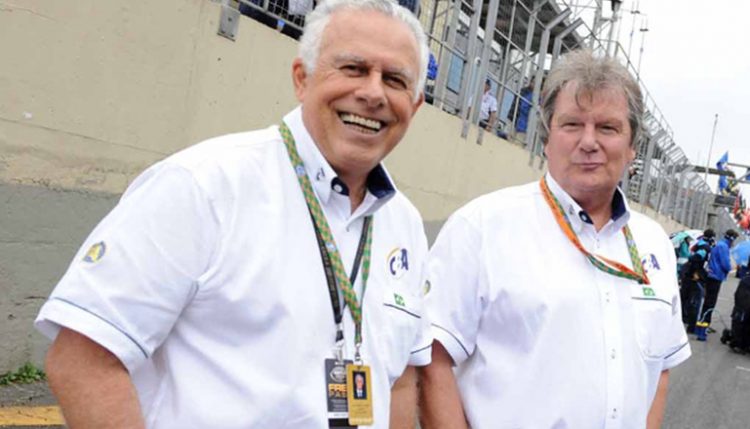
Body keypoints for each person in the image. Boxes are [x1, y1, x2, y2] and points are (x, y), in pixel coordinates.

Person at [35, 1, 432, 428]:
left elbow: (398, 380)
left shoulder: (405, 225)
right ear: (302, 78)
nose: (373, 93)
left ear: (415, 106)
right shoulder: (203, 186)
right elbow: (83, 360)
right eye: (353, 68)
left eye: (394, 80)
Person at [418, 49, 691, 429]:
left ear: (632, 148)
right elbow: (431, 360)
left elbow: (659, 368)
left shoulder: (654, 243)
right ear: (547, 139)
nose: (588, 142)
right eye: (572, 124)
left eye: (607, 128)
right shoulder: (481, 228)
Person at [679, 229, 715, 333]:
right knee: (694, 302)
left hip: (688, 275)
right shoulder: (705, 247)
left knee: (684, 298)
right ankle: (691, 327)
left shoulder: (697, 244)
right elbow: (696, 257)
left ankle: (681, 320)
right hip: (695, 278)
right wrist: (696, 272)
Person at [704, 229, 740, 330]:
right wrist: (730, 267)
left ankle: (704, 323)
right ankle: (705, 324)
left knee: (708, 301)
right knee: (710, 302)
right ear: (731, 238)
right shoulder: (723, 247)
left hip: (712, 274)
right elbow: (725, 264)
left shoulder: (720, 244)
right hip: (716, 276)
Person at [507, 80, 534, 144]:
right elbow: (520, 106)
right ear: (531, 82)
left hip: (518, 119)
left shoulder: (525, 91)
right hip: (514, 117)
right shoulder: (525, 92)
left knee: (512, 140)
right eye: (533, 82)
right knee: (511, 139)